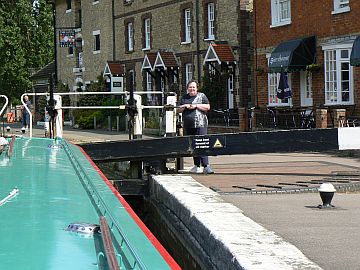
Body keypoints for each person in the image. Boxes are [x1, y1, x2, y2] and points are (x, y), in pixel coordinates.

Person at [177, 80, 214, 174]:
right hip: (188, 125)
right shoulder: (184, 97)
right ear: (187, 88)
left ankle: (206, 165)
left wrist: (196, 106)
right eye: (190, 87)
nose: (192, 89)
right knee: (193, 145)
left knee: (202, 143)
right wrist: (185, 106)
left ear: (197, 88)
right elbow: (178, 110)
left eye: (193, 87)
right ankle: (197, 165)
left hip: (201, 124)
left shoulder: (202, 96)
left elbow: (208, 107)